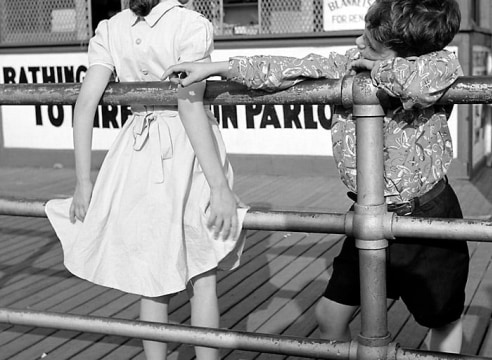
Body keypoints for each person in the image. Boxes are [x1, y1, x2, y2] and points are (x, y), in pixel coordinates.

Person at [162, 0, 468, 353]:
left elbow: (419, 86)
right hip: (368, 212)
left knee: (442, 319)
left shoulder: (439, 64)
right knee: (329, 316)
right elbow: (289, 68)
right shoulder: (351, 65)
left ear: (404, 48)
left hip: (426, 219)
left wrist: (377, 72)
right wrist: (216, 67)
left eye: (371, 40)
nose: (358, 43)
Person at [45, 1, 248, 359]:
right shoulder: (190, 24)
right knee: (203, 276)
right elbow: (189, 103)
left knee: (149, 278)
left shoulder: (111, 28)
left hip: (136, 151)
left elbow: (85, 103)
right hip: (191, 149)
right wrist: (219, 187)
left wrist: (83, 181)